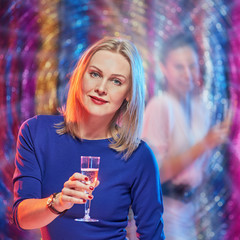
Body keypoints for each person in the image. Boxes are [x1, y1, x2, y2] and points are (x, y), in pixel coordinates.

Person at [12, 37, 165, 240]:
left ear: (128, 93)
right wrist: (58, 202)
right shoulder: (36, 132)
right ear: (80, 77)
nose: (101, 88)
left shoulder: (138, 155)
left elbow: (152, 235)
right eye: (95, 74)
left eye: (116, 81)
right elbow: (22, 217)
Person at [142, 33, 231, 240]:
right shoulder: (160, 106)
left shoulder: (201, 107)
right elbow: (155, 173)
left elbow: (200, 170)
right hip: (162, 210)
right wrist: (204, 144)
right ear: (164, 69)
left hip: (190, 211)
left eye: (192, 65)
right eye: (179, 67)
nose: (188, 74)